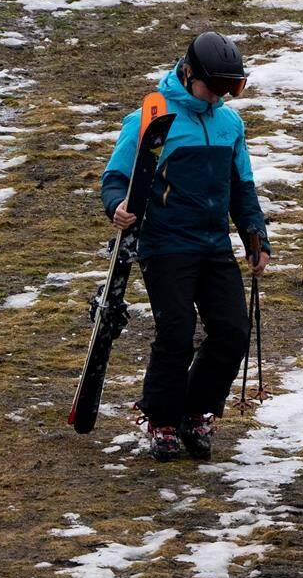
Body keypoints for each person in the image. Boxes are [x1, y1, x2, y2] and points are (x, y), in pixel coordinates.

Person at [100, 32, 272, 462]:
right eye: (215, 86)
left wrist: (256, 236)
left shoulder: (229, 124)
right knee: (175, 330)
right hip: (165, 244)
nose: (220, 96)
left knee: (233, 331)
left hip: (213, 243)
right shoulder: (152, 117)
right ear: (190, 73)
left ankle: (195, 412)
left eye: (230, 88)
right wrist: (116, 208)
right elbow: (116, 178)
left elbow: (241, 186)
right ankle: (160, 418)